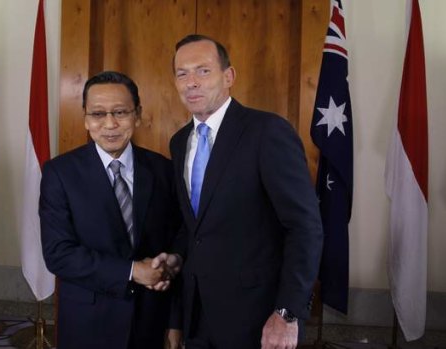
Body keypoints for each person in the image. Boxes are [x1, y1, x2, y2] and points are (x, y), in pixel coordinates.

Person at [164, 34, 324, 349]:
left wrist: (287, 312)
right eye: (182, 74)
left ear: (229, 76)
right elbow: (195, 225)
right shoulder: (180, 142)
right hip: (198, 316)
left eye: (203, 71)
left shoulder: (267, 132)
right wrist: (176, 257)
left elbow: (304, 227)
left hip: (259, 318)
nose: (191, 82)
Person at [39, 71, 182, 349]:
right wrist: (132, 271)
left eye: (120, 112)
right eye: (97, 114)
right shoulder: (60, 173)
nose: (110, 124)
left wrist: (174, 315)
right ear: (85, 118)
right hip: (88, 322)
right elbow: (58, 254)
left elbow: (177, 238)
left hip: (150, 318)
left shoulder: (162, 170)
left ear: (137, 115)